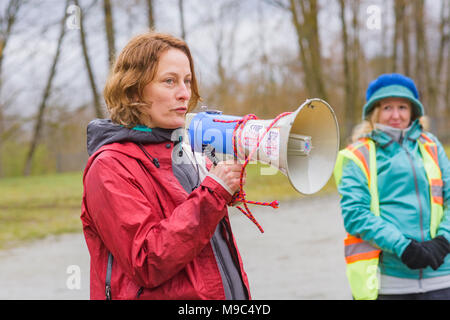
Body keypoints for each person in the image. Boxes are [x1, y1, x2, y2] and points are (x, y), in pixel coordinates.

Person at [80, 32, 251, 300]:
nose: (184, 94)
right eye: (169, 81)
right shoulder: (109, 166)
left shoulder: (186, 150)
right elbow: (147, 261)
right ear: (133, 89)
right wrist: (212, 195)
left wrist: (222, 184)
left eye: (187, 81)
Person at [334, 73, 450, 300]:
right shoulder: (358, 155)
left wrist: (444, 240)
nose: (396, 115)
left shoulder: (431, 146)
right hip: (390, 282)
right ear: (374, 112)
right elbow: (355, 215)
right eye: (387, 107)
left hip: (442, 276)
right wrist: (403, 246)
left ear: (413, 112)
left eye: (403, 107)